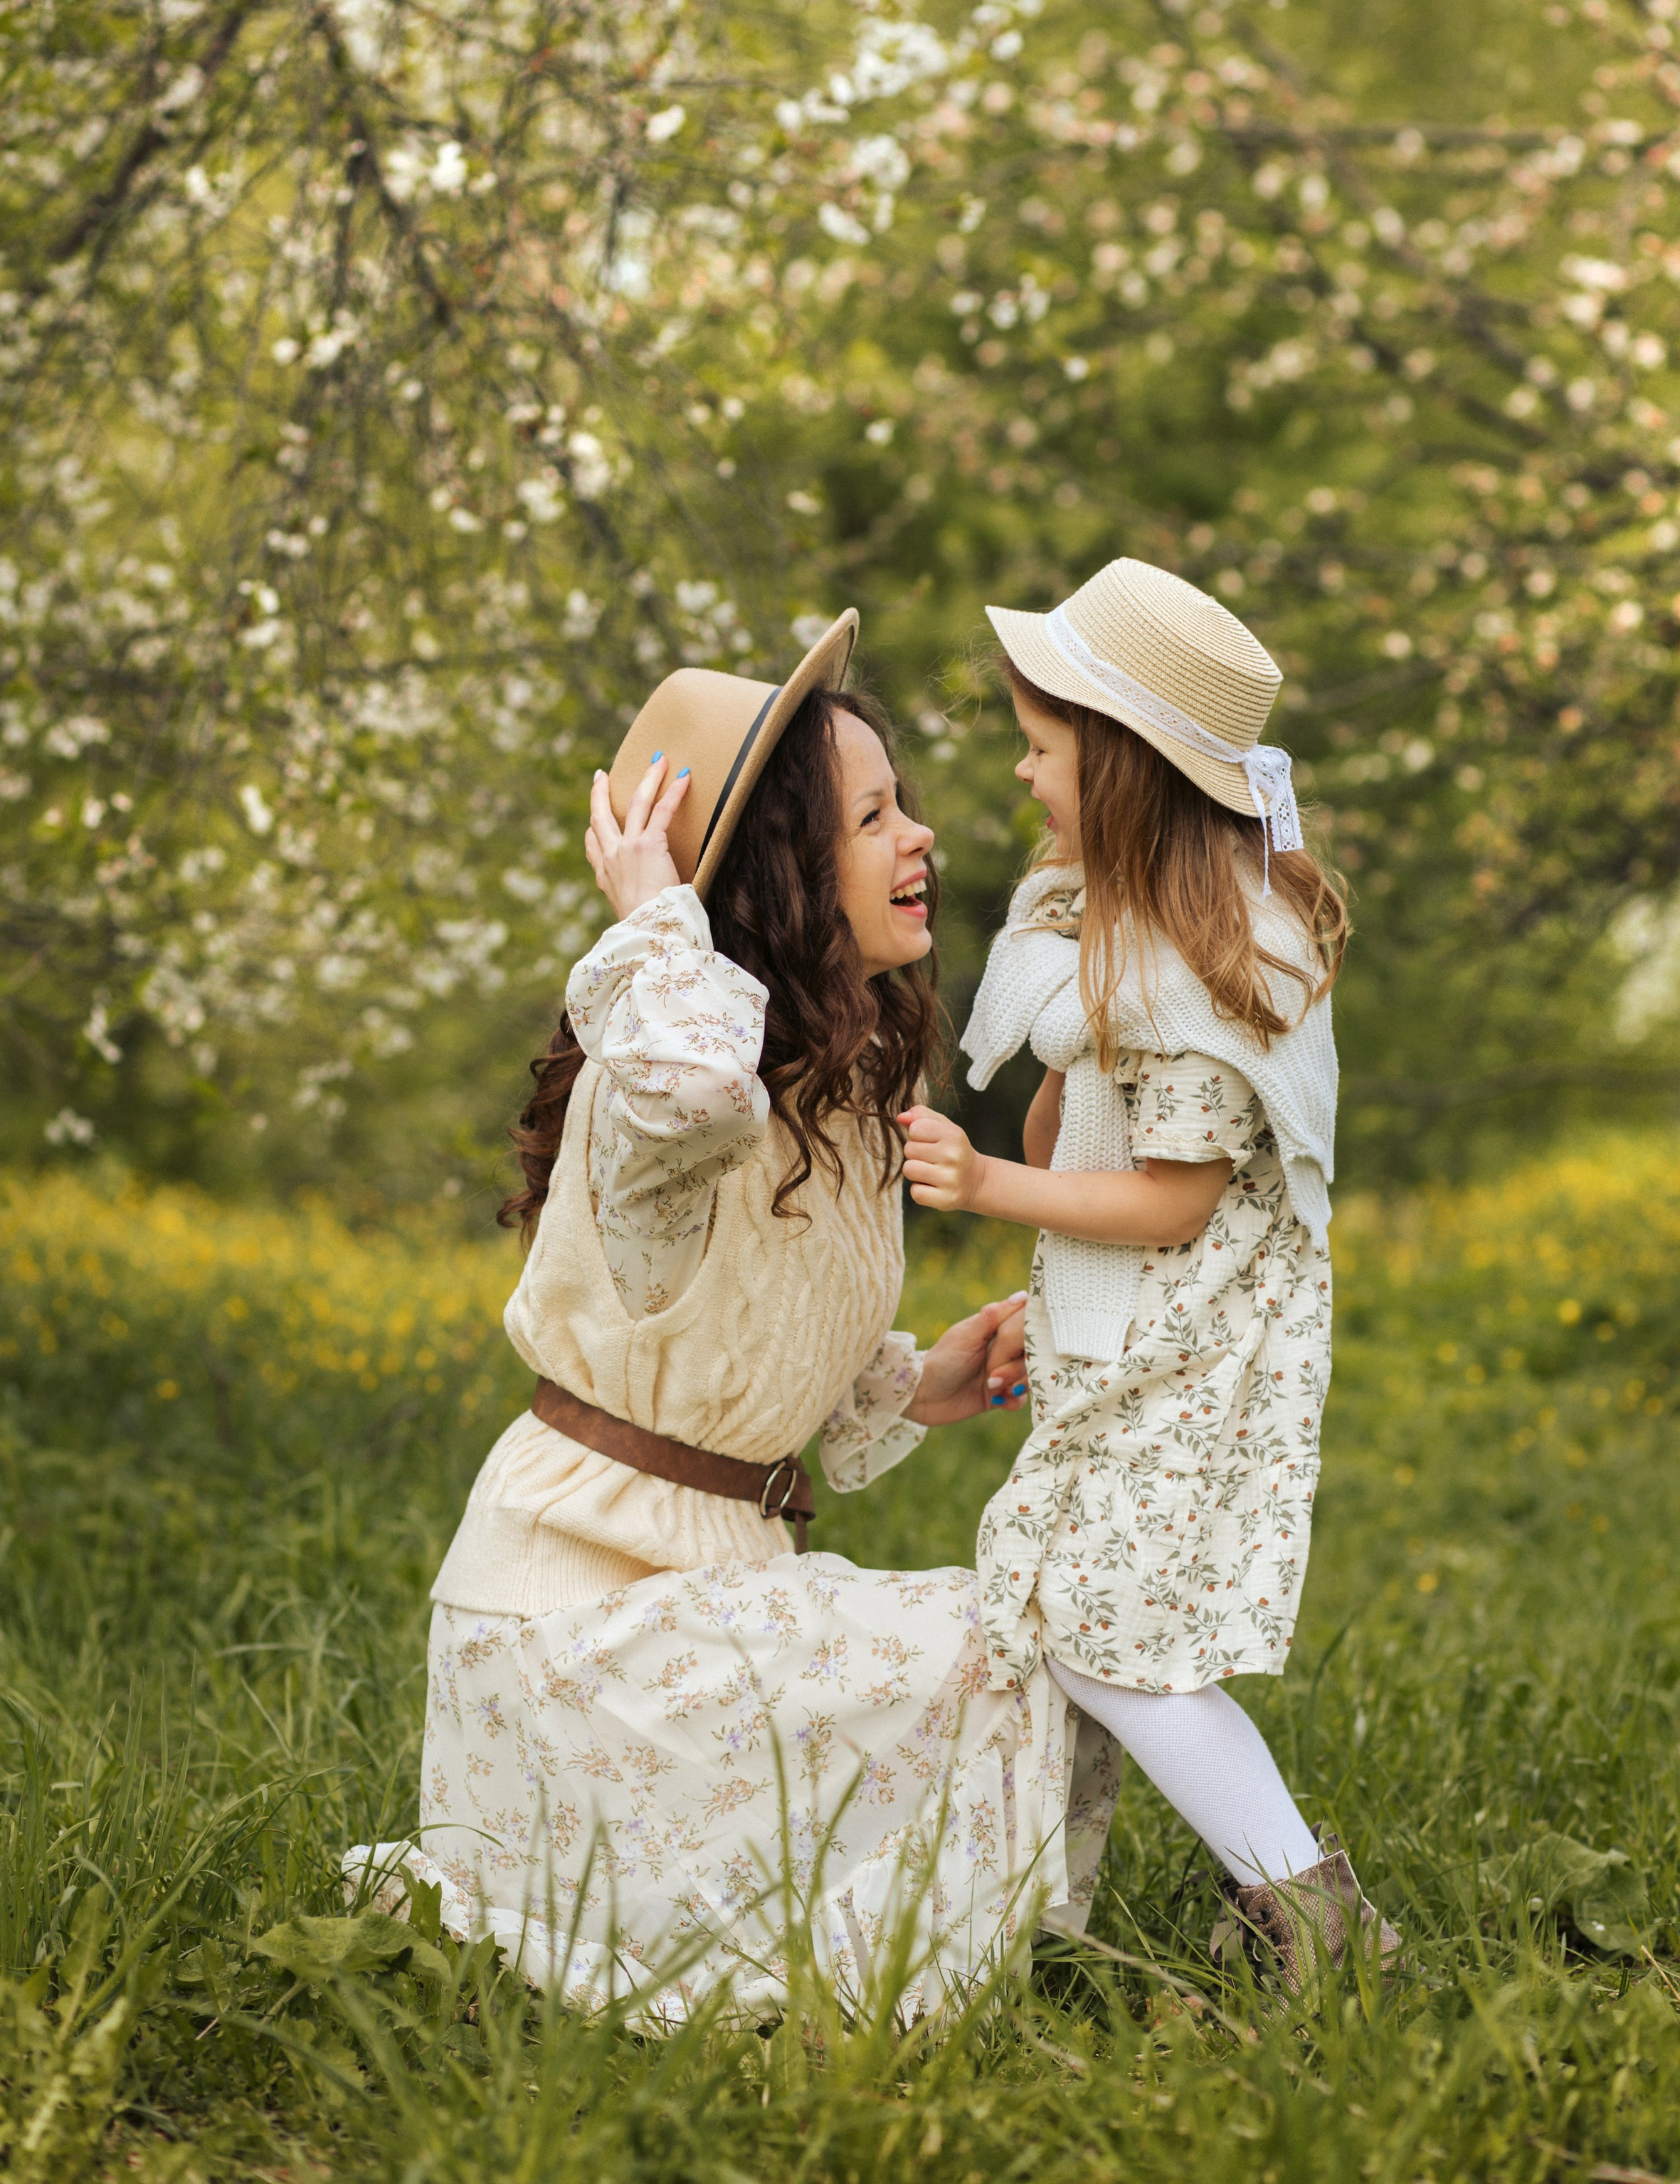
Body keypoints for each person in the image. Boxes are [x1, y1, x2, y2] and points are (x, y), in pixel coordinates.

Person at [345, 614, 1118, 2018]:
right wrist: (656, 914)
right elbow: (689, 1092)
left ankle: (938, 1963)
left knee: (1044, 1631)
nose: (921, 837)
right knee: (1011, 1643)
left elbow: (732, 1347)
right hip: (579, 1628)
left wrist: (921, 1380)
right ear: (774, 873)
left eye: (905, 804)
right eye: (872, 815)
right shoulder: (657, 1099)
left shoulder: (822, 1094)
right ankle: (895, 1984)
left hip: (705, 1596)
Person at [897, 556, 1401, 2000]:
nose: (1019, 768)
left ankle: (1310, 1916)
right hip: (1137, 1351)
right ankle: (1018, 1901)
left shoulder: (1203, 971)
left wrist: (992, 1184)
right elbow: (1086, 1117)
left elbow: (1170, 1203)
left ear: (1119, 769)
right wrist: (1054, 1101)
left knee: (1115, 1646)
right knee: (1082, 1624)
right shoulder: (1123, 934)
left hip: (1189, 1364)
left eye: (1042, 747)